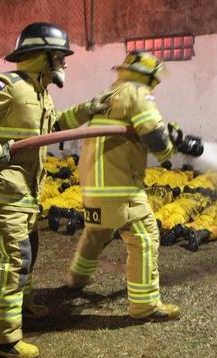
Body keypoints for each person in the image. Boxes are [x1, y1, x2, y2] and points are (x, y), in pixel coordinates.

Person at [0, 22, 107, 358]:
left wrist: (89, 108)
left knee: (28, 254)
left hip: (25, 196)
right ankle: (3, 340)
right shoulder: (9, 86)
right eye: (61, 56)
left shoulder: (39, 94)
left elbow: (55, 128)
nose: (64, 63)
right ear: (44, 57)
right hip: (3, 196)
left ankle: (22, 304)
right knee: (11, 262)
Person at [66, 51, 184, 321]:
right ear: (150, 77)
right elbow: (153, 133)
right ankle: (145, 306)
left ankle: (76, 278)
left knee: (97, 232)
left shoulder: (109, 95)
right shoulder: (138, 92)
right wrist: (168, 150)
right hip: (120, 187)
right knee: (144, 237)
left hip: (93, 185)